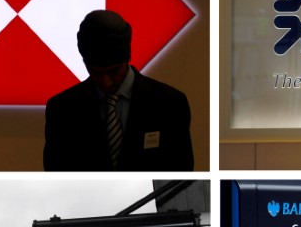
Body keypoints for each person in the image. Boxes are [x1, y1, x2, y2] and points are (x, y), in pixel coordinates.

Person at [43, 10, 194, 171]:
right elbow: (56, 169)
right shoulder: (62, 109)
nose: (106, 82)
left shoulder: (170, 104)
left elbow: (181, 170)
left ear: (127, 59)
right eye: (95, 72)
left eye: (113, 71)